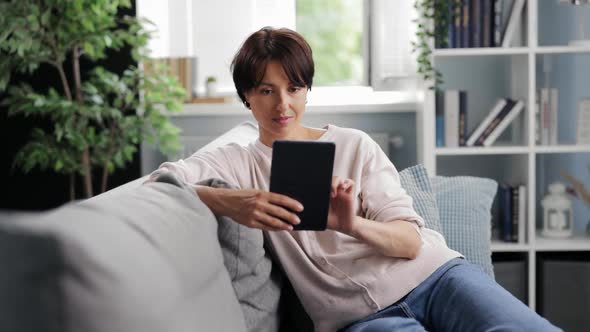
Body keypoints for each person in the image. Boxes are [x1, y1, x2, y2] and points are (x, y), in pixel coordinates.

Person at [149, 27, 560, 332]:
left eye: (294, 88)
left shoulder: (353, 145)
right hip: (360, 318)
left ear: (307, 90)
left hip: (437, 278)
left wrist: (351, 225)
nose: (284, 104)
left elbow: (411, 241)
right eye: (266, 90)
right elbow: (160, 181)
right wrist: (230, 202)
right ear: (247, 97)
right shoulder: (236, 162)